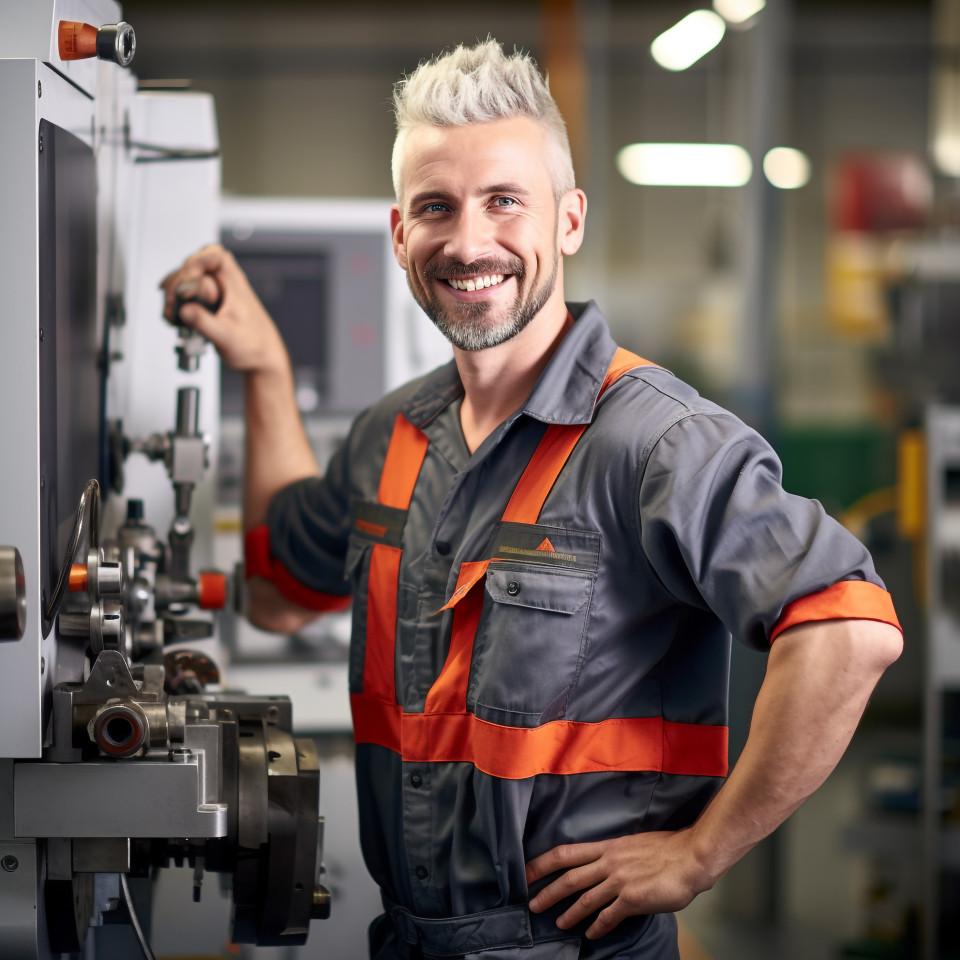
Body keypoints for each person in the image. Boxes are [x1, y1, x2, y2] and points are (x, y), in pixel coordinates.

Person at [161, 39, 903, 960]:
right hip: (408, 940)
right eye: (437, 207)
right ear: (400, 234)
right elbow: (278, 589)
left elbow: (848, 629)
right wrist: (267, 368)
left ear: (569, 222)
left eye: (504, 201)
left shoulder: (657, 442)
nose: (469, 242)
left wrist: (701, 855)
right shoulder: (391, 437)